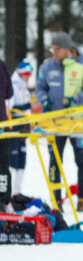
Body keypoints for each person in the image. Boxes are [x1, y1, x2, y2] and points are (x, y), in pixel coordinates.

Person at [35, 32, 83, 211]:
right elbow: (39, 88)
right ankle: (56, 201)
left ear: (66, 49)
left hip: (79, 122)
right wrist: (44, 98)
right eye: (52, 49)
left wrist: (75, 99)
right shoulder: (47, 67)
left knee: (81, 159)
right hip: (55, 122)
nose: (53, 52)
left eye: (56, 49)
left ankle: (82, 200)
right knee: (55, 160)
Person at [7, 59, 33, 194]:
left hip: (24, 127)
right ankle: (9, 192)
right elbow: (10, 107)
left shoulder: (24, 86)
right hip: (14, 127)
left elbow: (27, 110)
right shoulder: (13, 84)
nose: (28, 78)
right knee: (13, 159)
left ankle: (17, 191)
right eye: (27, 75)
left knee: (22, 159)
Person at [0, 59, 14, 209]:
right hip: (1, 122)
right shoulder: (2, 65)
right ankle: (3, 200)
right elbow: (10, 93)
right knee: (3, 165)